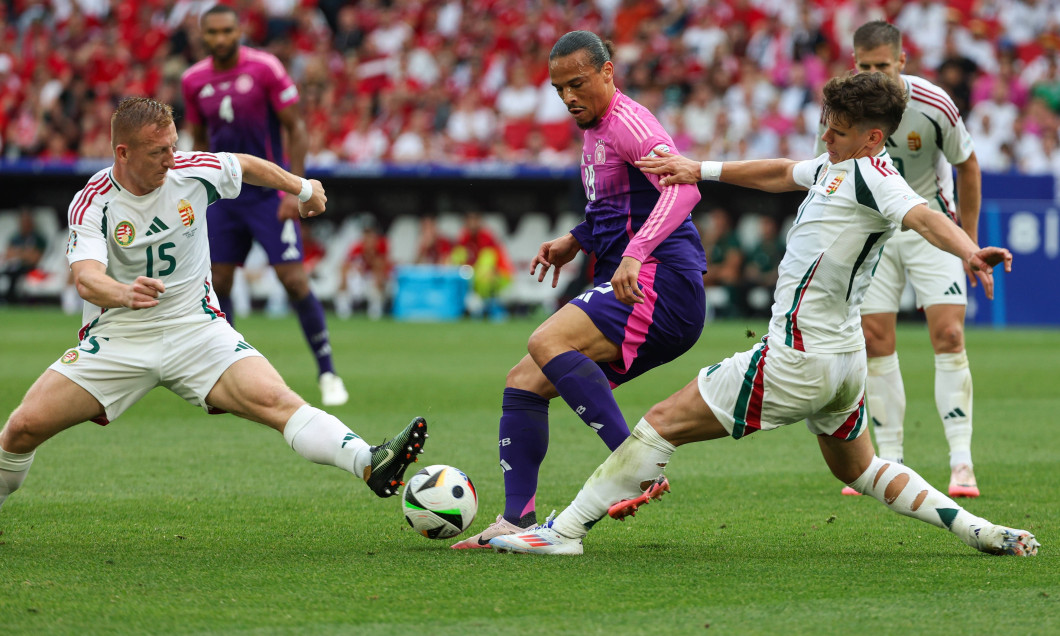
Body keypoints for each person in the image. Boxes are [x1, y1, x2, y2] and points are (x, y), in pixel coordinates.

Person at [488, 72, 1038, 558]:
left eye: (838, 130)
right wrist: (695, 168)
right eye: (827, 125)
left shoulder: (879, 178)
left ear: (873, 137)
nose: (826, 137)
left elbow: (921, 216)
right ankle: (976, 528)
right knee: (860, 469)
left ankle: (565, 531)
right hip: (844, 365)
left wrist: (967, 248)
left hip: (797, 358)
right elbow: (780, 172)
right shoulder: (838, 164)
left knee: (660, 424)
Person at [0, 97, 427, 517]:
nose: (171, 159)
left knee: (277, 400)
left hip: (196, 328)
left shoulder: (190, 172)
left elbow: (246, 164)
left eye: (173, 145)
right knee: (22, 428)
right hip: (121, 337)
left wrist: (302, 187)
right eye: (158, 152)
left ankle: (369, 461)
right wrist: (122, 293)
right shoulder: (94, 201)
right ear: (122, 153)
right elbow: (86, 278)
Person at [451, 31, 707, 549]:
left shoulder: (631, 123)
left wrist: (634, 253)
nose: (568, 97)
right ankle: (517, 518)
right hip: (635, 283)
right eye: (559, 88)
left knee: (545, 342)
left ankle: (636, 467)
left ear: (608, 72)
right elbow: (616, 209)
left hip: (663, 284)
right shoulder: (594, 130)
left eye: (578, 83)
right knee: (524, 380)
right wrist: (575, 239)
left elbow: (684, 187)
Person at [818, 21, 984, 497]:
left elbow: (967, 164)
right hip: (873, 232)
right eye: (864, 66)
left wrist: (968, 241)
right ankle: (889, 459)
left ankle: (961, 463)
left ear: (902, 63)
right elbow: (824, 175)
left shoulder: (934, 105)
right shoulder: (838, 110)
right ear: (855, 62)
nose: (873, 74)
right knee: (874, 338)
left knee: (949, 333)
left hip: (930, 224)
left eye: (882, 66)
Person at [180, 4, 348, 407]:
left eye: (226, 31)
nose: (220, 38)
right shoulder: (192, 80)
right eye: (212, 33)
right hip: (224, 198)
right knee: (218, 283)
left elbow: (296, 127)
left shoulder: (265, 68)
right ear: (203, 36)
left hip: (267, 196)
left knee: (293, 280)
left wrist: (297, 188)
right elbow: (199, 140)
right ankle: (229, 375)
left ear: (239, 31)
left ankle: (328, 372)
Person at [450, 210, 514, 320]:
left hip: (501, 274)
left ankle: (487, 308)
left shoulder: (486, 237)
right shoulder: (464, 237)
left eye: (474, 220)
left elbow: (489, 263)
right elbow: (458, 259)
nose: (472, 223)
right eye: (469, 220)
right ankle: (467, 308)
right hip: (478, 275)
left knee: (484, 272)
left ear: (479, 221)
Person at [0, 209, 47, 305]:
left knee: (15, 275)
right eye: (22, 221)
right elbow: (7, 254)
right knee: (7, 272)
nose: (24, 224)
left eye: (27, 221)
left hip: (29, 267)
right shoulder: (15, 237)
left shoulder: (38, 238)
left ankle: (12, 302)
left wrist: (18, 253)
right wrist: (25, 253)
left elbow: (35, 258)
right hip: (13, 265)